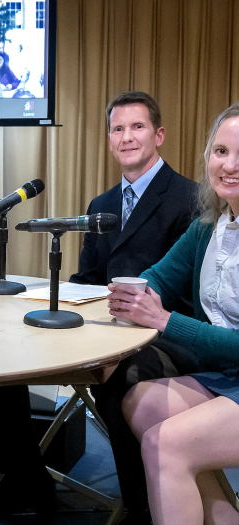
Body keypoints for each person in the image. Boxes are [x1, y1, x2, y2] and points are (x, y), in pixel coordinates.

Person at [0, 92, 198, 524]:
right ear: (109, 139)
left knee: (126, 384)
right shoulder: (102, 205)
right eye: (117, 129)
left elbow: (186, 295)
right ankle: (28, 486)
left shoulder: (189, 199)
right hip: (98, 329)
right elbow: (86, 279)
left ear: (159, 135)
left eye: (137, 127)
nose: (126, 137)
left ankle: (140, 506)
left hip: (157, 337)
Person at [117, 102, 239, 525]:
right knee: (140, 403)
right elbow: (157, 278)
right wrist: (115, 297)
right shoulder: (209, 226)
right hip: (229, 376)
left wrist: (166, 321)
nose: (230, 165)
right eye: (221, 151)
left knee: (164, 444)